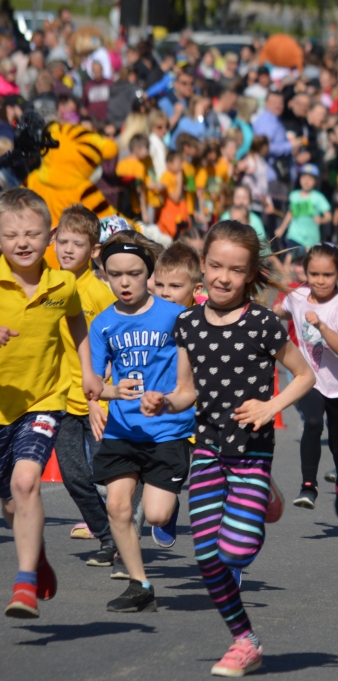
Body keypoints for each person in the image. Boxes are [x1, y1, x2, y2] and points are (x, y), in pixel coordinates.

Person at [142, 220, 315, 676]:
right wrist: (164, 403)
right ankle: (244, 640)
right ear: (202, 266)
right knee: (207, 558)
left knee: (235, 552)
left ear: (250, 274)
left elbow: (305, 376)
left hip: (252, 452)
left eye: (235, 270)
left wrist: (269, 406)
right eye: (215, 266)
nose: (223, 277)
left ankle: (265, 499)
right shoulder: (188, 324)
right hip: (208, 452)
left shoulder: (262, 324)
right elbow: (186, 391)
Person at [0, 189, 98, 619]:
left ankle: (23, 586)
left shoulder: (64, 283)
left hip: (43, 399)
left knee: (26, 484)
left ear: (51, 237)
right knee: (9, 504)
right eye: (10, 235)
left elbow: (75, 318)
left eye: (32, 234)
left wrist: (89, 369)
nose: (22, 242)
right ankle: (35, 555)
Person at [89, 232, 195, 613]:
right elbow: (96, 384)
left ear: (149, 274)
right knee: (118, 507)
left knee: (156, 514)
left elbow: (192, 378)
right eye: (115, 274)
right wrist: (108, 394)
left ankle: (170, 498)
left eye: (134, 273)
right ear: (105, 275)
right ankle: (140, 584)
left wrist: (167, 399)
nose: (124, 282)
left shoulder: (176, 316)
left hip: (167, 429)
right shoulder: (102, 324)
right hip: (122, 430)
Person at [50, 206, 118, 566]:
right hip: (58, 399)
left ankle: (123, 530)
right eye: (62, 241)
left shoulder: (100, 292)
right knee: (74, 476)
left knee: (108, 475)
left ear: (94, 250)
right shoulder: (48, 286)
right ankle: (108, 535)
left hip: (99, 401)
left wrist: (104, 389)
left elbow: (116, 343)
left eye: (78, 243)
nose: (67, 250)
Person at [275, 245, 338, 513]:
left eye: (327, 275)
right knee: (312, 422)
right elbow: (284, 309)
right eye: (314, 274)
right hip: (309, 378)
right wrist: (270, 311)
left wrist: (321, 325)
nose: (320, 281)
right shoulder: (298, 295)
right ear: (305, 272)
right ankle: (308, 486)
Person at [275, 164, 332, 258]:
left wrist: (321, 220)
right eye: (304, 177)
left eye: (310, 178)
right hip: (294, 234)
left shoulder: (318, 197)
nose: (306, 181)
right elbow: (290, 213)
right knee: (289, 258)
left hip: (311, 238)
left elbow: (329, 217)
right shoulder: (294, 195)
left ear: (316, 181)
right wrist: (282, 228)